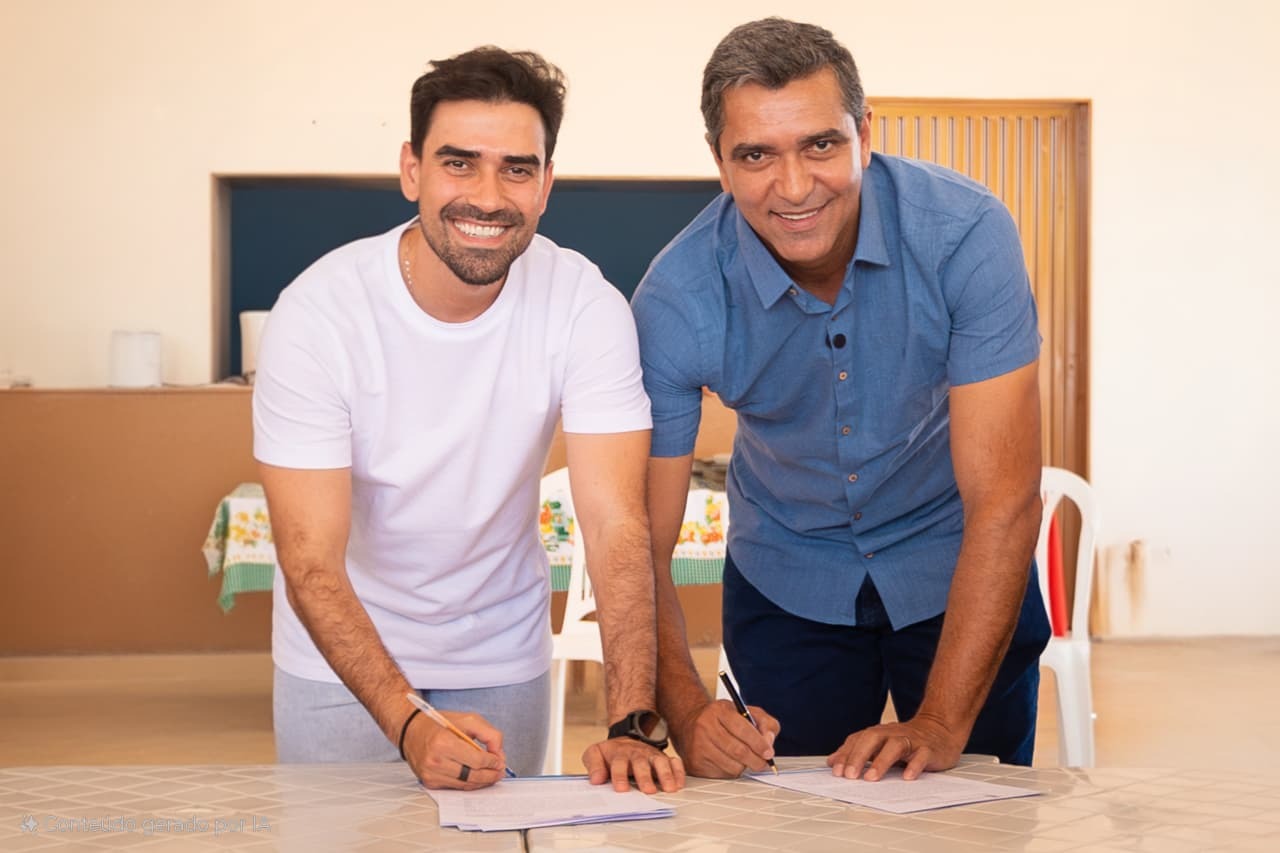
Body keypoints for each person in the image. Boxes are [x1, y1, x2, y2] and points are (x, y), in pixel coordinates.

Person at [253, 46, 683, 794]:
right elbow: (309, 559)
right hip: (336, 663)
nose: (488, 196)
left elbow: (617, 526)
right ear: (411, 170)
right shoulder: (318, 313)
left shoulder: (584, 304)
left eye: (516, 169)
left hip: (500, 655)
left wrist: (630, 720)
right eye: (459, 164)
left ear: (545, 185)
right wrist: (407, 721)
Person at [632, 18, 1049, 781]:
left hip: (958, 559)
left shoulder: (966, 234)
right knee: (795, 817)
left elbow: (1006, 499)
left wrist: (941, 721)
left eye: (820, 144)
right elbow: (642, 541)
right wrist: (686, 710)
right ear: (720, 161)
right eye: (756, 154)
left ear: (865, 133)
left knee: (980, 810)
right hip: (786, 573)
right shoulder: (678, 296)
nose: (794, 187)